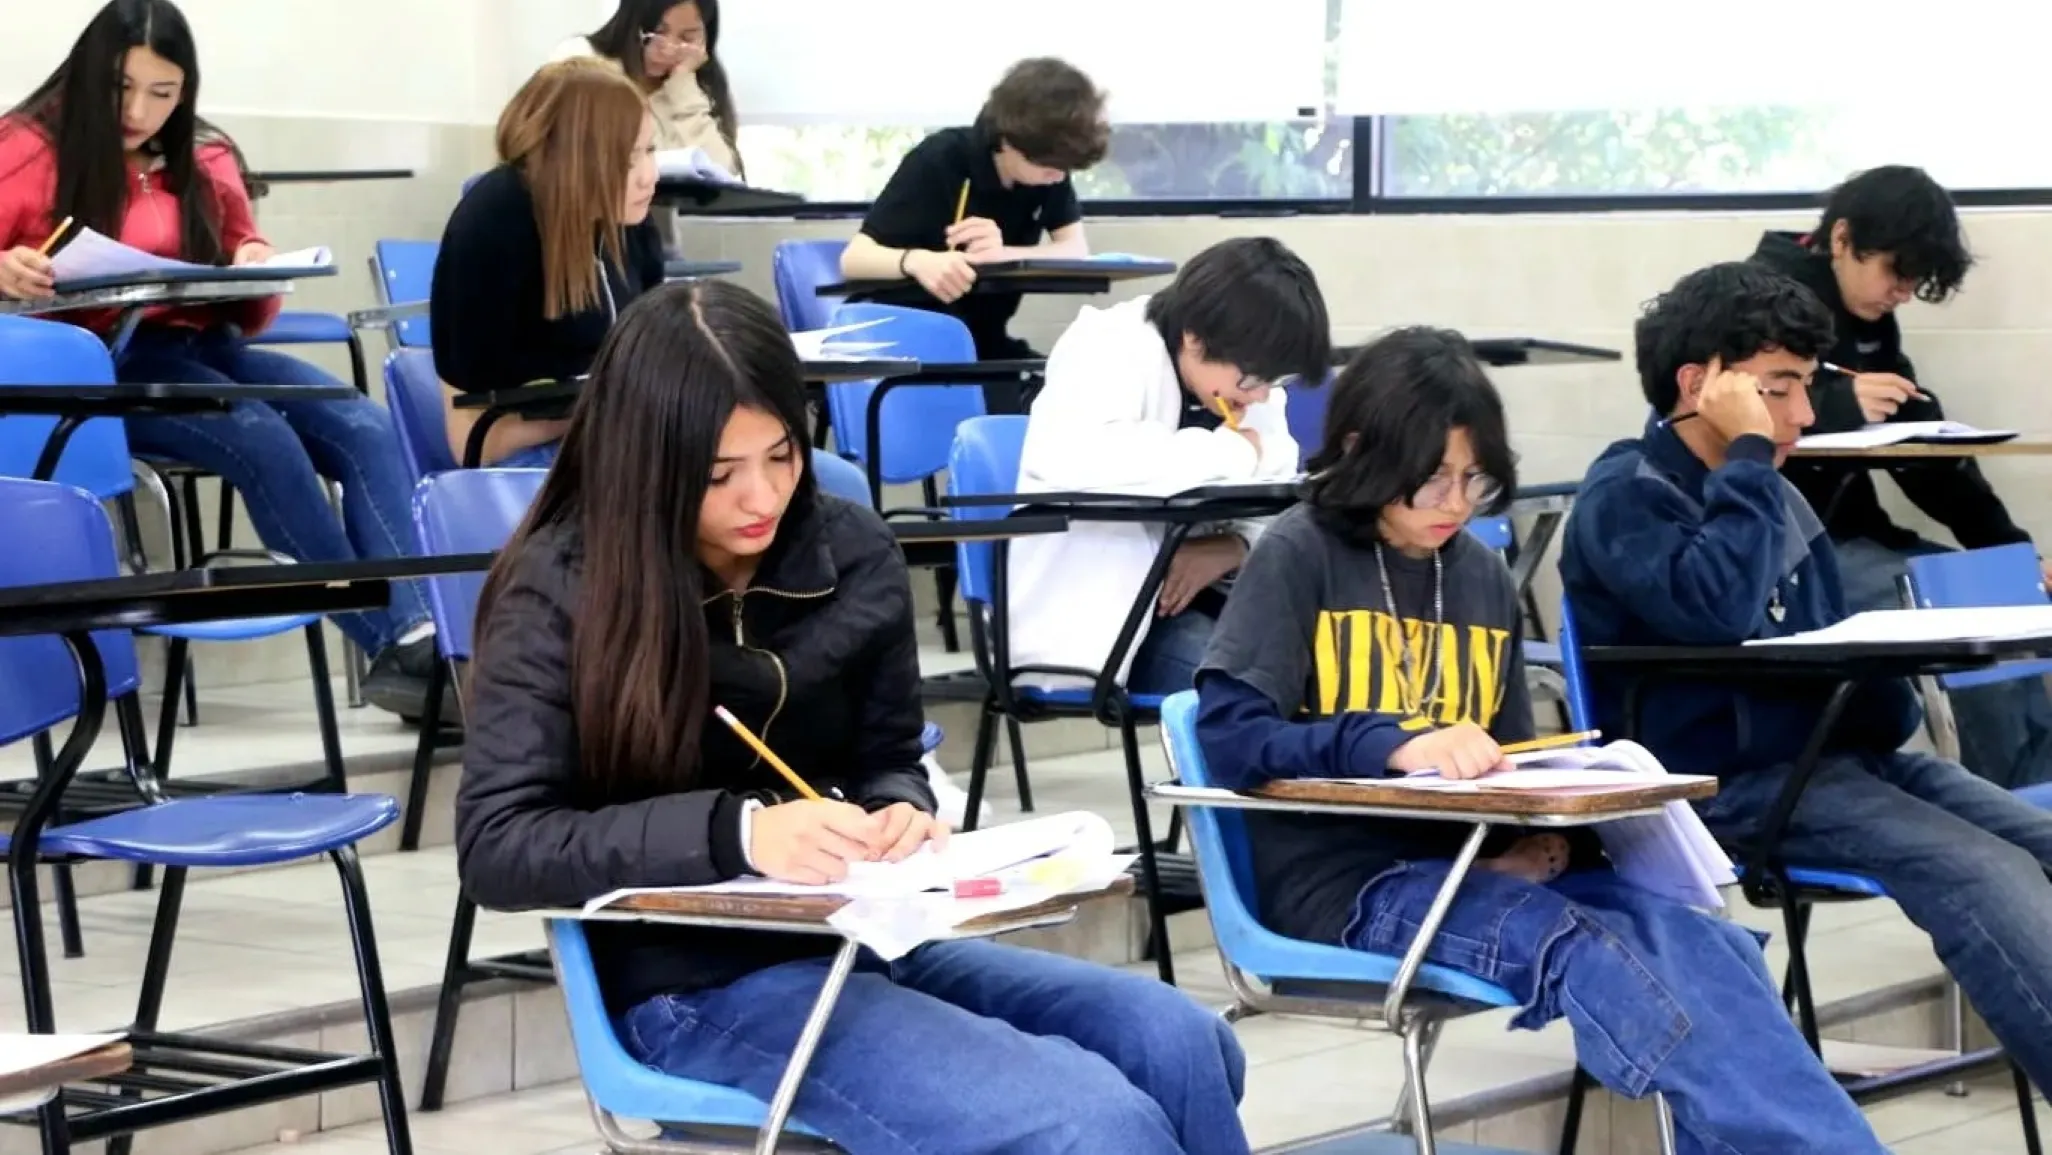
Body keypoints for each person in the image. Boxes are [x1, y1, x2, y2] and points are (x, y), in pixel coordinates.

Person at [456, 277, 1249, 1155]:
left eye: (783, 455)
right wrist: (742, 834)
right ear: (648, 462)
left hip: (865, 936)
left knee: (1179, 1041)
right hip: (688, 981)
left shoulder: (850, 546)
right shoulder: (562, 586)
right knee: (1095, 1125)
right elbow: (501, 845)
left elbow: (887, 755)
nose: (761, 497)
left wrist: (900, 805)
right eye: (719, 474)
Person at [1196, 326, 1889, 1154]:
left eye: (1475, 479)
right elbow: (1232, 735)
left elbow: (1510, 761)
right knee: (1591, 952)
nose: (1456, 503)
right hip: (1347, 887)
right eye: (1432, 480)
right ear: (1360, 451)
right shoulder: (1299, 553)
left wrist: (1549, 838)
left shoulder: (1480, 575)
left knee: (1707, 940)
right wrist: (1390, 742)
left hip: (1475, 867)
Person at [1561, 260, 2052, 1098]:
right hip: (1727, 786)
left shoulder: (1776, 492)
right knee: (1979, 870)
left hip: (1835, 759)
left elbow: (1831, 650)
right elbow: (1714, 607)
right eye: (1777, 389)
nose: (1798, 413)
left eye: (1804, 389)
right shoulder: (1626, 493)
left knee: (2037, 843)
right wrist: (1750, 457)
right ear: (1701, 384)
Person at [0, 0, 433, 718]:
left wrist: (255, 266)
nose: (139, 111)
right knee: (261, 437)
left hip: (207, 345)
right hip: (101, 363)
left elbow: (247, 299)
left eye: (162, 94)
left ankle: (416, 632)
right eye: (119, 89)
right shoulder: (26, 148)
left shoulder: (205, 156)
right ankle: (393, 646)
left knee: (361, 424)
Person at [1750, 165, 2052, 788]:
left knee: (2007, 592)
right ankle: (2020, 814)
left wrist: (2018, 554)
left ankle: (2035, 795)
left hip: (1855, 535)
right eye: (1895, 271)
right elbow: (1727, 415)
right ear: (1841, 239)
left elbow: (1935, 471)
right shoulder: (1755, 301)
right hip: (1788, 549)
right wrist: (1836, 403)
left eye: (1915, 281)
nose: (1903, 292)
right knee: (1961, 611)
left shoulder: (1870, 327)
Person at [1007, 237, 1328, 695]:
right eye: (1255, 380)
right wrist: (1234, 454)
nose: (1261, 396)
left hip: (1208, 602)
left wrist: (1234, 544)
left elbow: (1275, 479)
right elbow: (1082, 459)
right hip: (1104, 619)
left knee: (1331, 671)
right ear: (1194, 339)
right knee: (1254, 689)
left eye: (1275, 382)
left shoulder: (1242, 378)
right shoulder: (1106, 346)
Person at [430, 58, 665, 469]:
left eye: (650, 151)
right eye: (629, 160)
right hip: (523, 452)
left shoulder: (630, 223)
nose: (650, 175)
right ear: (577, 158)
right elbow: (474, 424)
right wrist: (601, 412)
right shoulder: (499, 216)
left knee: (810, 471)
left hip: (611, 435)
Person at [839, 57, 1108, 413]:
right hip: (910, 337)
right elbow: (853, 259)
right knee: (1009, 410)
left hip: (984, 340)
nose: (1058, 177)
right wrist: (918, 261)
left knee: (1073, 395)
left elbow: (1075, 249)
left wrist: (1005, 254)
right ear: (1008, 142)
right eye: (1049, 167)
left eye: (1066, 169)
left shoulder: (1049, 167)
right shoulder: (941, 159)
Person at [552, 0, 742, 178]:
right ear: (632, 23)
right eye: (658, 32)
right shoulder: (582, 61)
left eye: (687, 38)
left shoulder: (701, 84)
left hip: (674, 211)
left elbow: (723, 174)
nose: (669, 49)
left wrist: (682, 88)